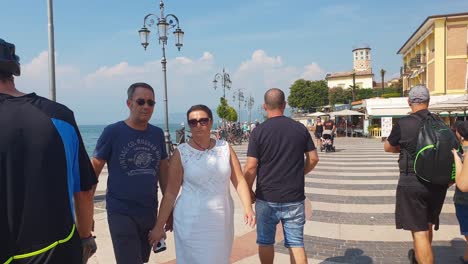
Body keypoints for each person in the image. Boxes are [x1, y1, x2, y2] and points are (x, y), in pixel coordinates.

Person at [0, 38, 97, 263]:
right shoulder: (60, 115)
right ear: (13, 71)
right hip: (57, 249)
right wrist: (85, 238)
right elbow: (84, 190)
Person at [148, 104, 256, 264]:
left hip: (221, 219)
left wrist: (248, 207)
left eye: (203, 120)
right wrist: (159, 225)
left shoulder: (225, 148)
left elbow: (239, 180)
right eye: (193, 122)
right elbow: (171, 192)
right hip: (190, 220)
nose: (198, 125)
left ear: (211, 122)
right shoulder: (181, 152)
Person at [91, 82, 169, 264]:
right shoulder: (113, 132)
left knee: (141, 259)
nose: (146, 107)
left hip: (149, 211)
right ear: (129, 103)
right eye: (141, 101)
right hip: (121, 211)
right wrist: (86, 213)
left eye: (151, 103)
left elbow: (164, 174)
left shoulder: (157, 134)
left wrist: (167, 212)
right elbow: (93, 172)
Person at [244, 88, 319, 264]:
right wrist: (299, 173)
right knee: (296, 243)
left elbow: (251, 166)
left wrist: (247, 189)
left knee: (265, 241)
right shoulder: (299, 129)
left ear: (264, 106)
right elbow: (314, 158)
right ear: (284, 105)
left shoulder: (259, 131)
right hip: (294, 196)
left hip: (266, 197)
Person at [384, 85, 449, 264]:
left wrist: (404, 148)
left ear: (409, 101)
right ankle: (420, 258)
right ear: (428, 101)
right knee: (427, 225)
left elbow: (388, 147)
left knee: (419, 231)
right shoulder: (440, 121)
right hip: (438, 182)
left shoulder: (404, 123)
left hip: (412, 180)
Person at [452, 121, 468, 264]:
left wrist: (457, 160)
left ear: (460, 135)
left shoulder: (465, 153)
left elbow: (462, 185)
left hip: (465, 200)